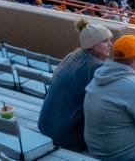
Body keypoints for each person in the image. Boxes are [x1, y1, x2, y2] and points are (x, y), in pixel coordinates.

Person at [39, 19, 112, 151]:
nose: (110, 44)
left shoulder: (71, 57)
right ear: (92, 44)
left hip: (45, 126)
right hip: (68, 137)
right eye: (105, 41)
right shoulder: (97, 68)